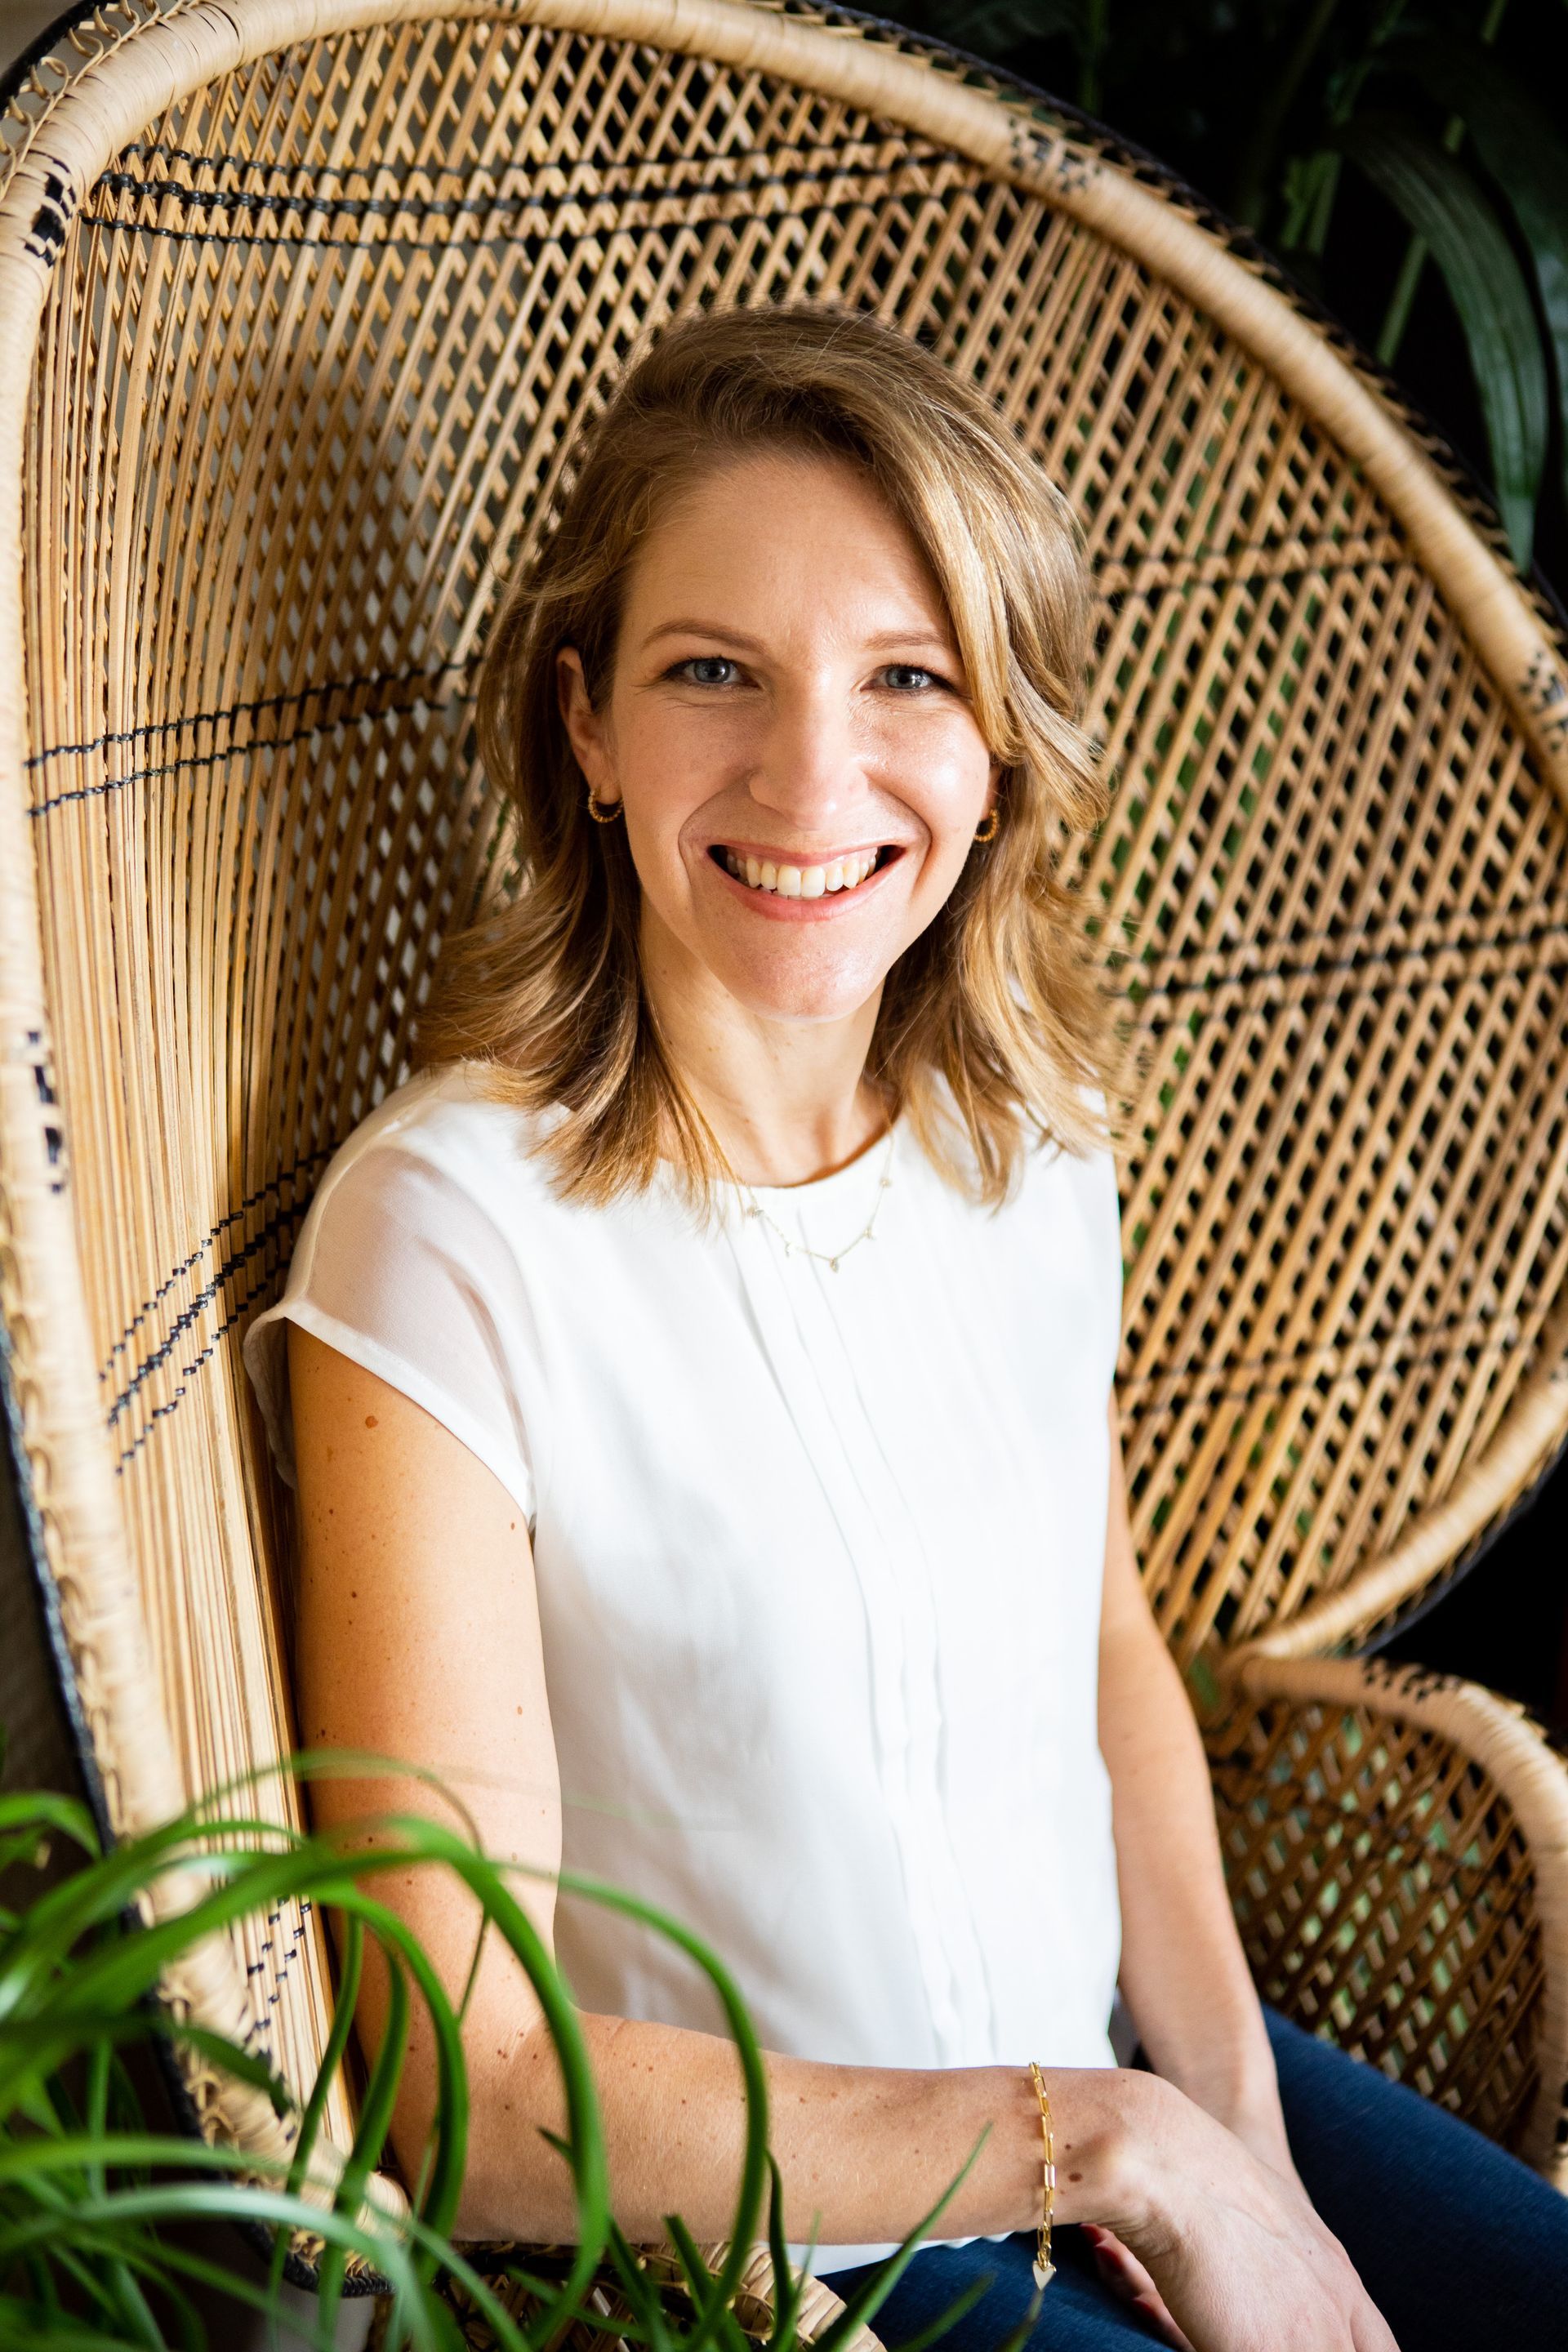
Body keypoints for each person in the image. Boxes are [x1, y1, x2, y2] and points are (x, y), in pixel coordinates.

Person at [243, 305, 1568, 2352]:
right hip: (792, 2255)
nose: (811, 774)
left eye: (908, 678)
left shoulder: (1026, 1139)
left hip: (1131, 2077)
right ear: (584, 726)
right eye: (714, 675)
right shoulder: (443, 1235)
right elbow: (471, 2094)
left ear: (1000, 739)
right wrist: (1124, 2153)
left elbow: (1101, 1645)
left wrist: (1241, 2135)